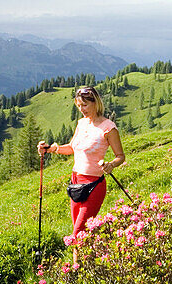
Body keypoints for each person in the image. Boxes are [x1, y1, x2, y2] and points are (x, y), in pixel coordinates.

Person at [37, 85, 126, 262]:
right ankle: (92, 263)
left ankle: (78, 271)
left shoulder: (108, 128)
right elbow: (71, 148)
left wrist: (111, 165)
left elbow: (120, 156)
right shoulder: (81, 123)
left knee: (78, 232)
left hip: (94, 185)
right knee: (81, 231)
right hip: (76, 182)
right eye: (78, 105)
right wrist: (51, 149)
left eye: (84, 105)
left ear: (95, 103)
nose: (81, 109)